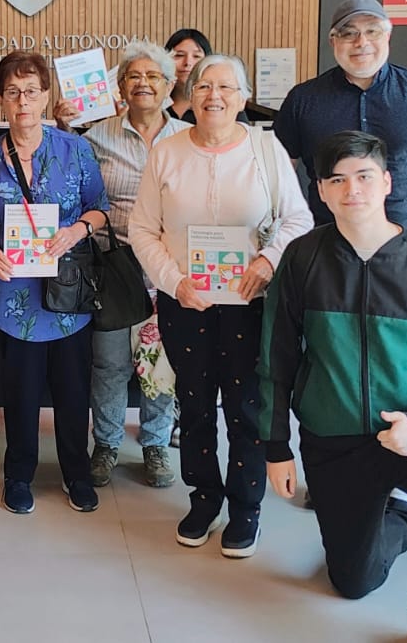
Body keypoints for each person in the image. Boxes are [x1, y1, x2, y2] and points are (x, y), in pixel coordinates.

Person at [260, 131, 407, 643]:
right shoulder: (301, 260)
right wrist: (276, 446)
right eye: (337, 179)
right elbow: (275, 359)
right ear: (320, 191)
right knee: (353, 581)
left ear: (387, 182)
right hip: (334, 440)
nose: (353, 190)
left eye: (364, 176)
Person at [130, 53, 312, 556]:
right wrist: (172, 280)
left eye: (226, 88)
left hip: (250, 302)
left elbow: (298, 219)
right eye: (204, 85)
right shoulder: (166, 153)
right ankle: (204, 496)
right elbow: (142, 228)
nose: (214, 95)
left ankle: (245, 508)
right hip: (184, 300)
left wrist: (268, 262)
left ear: (243, 98)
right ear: (189, 95)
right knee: (192, 403)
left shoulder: (267, 149)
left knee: (246, 406)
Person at [0, 51, 111, 515]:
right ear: (0, 100)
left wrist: (75, 230)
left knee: (72, 391)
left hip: (68, 293)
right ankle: (19, 473)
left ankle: (76, 473)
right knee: (21, 395)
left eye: (31, 90)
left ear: (46, 96)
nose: (22, 101)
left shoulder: (75, 151)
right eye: (12, 92)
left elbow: (100, 207)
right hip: (14, 299)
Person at [80, 41, 190, 489]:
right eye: (133, 76)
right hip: (115, 270)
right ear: (120, 86)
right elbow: (84, 198)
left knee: (160, 365)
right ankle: (105, 443)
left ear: (169, 85)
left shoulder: (187, 137)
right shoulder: (97, 137)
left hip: (168, 271)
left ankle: (155, 444)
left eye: (153, 77)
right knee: (109, 365)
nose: (143, 84)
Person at [274, 0, 407, 234]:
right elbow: (278, 174)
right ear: (333, 42)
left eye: (372, 31)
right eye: (348, 33)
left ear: (387, 37)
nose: (361, 42)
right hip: (327, 240)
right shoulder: (302, 99)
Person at [164, 28, 211, 123]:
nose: (188, 63)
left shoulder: (217, 104)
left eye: (196, 56)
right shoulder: (155, 103)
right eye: (179, 55)